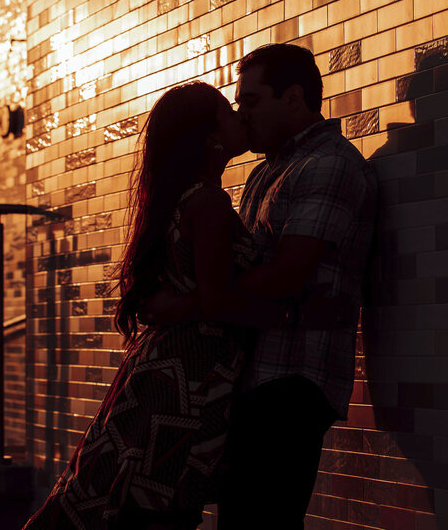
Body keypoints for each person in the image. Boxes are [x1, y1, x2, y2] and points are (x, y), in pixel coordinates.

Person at [22, 81, 307, 530]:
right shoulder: (208, 201)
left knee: (133, 501)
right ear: (211, 137)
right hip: (188, 380)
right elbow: (218, 299)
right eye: (229, 113)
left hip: (168, 373)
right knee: (161, 508)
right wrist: (292, 315)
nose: (241, 116)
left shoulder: (187, 198)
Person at [145, 43, 378, 528]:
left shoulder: (328, 165)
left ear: (293, 99)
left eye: (250, 101)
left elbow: (287, 273)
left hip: (292, 379)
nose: (241, 114)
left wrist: (195, 303)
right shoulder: (264, 173)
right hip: (252, 375)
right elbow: (232, 278)